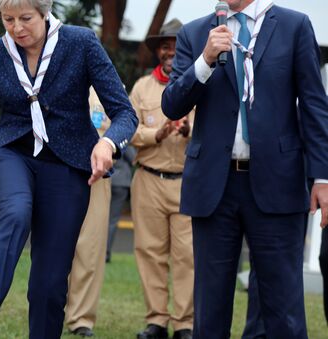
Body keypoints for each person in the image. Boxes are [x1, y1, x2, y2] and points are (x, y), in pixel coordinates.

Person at [0, 0, 138, 337]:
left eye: (25, 18)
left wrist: (107, 142)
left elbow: (125, 113)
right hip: (10, 154)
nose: (16, 28)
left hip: (68, 165)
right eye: (8, 19)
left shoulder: (80, 43)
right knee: (15, 211)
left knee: (50, 282)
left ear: (45, 12)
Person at [161, 0, 328, 337]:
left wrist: (322, 176)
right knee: (210, 307)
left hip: (278, 181)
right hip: (214, 186)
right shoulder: (195, 33)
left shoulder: (295, 25)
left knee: (284, 306)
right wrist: (205, 61)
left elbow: (313, 104)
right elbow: (172, 104)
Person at [130, 19, 194, 339]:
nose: (170, 51)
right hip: (148, 179)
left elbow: (215, 131)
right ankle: (156, 321)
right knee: (150, 252)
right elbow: (127, 128)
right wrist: (156, 133)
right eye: (164, 45)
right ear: (157, 51)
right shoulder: (142, 87)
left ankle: (184, 324)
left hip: (187, 181)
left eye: (177, 45)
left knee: (187, 256)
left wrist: (188, 131)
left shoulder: (200, 83)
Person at [65, 88, 112, 338]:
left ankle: (81, 318)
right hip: (57, 171)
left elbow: (124, 125)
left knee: (90, 248)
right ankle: (49, 306)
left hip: (97, 177)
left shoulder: (107, 86)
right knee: (54, 245)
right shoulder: (50, 73)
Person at [105, 146, 135, 263]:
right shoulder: (122, 133)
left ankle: (98, 251)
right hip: (121, 181)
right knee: (112, 220)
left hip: (106, 177)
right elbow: (133, 158)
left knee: (101, 219)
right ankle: (105, 253)